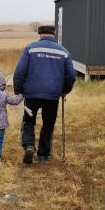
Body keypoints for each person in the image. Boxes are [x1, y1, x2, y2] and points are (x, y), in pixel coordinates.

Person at [13, 25, 76, 164]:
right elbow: (71, 76)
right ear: (53, 35)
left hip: (31, 96)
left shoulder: (31, 48)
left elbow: (19, 72)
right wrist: (64, 91)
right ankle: (43, 155)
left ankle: (29, 146)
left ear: (40, 34)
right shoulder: (63, 52)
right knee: (48, 124)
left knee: (28, 121)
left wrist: (19, 91)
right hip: (52, 96)